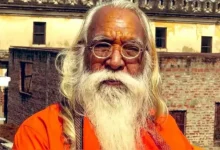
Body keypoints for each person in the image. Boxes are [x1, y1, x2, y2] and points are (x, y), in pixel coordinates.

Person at [12, 1, 203, 150]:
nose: (115, 61)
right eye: (102, 46)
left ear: (146, 60)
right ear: (81, 54)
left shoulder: (162, 127)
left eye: (131, 49)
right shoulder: (40, 133)